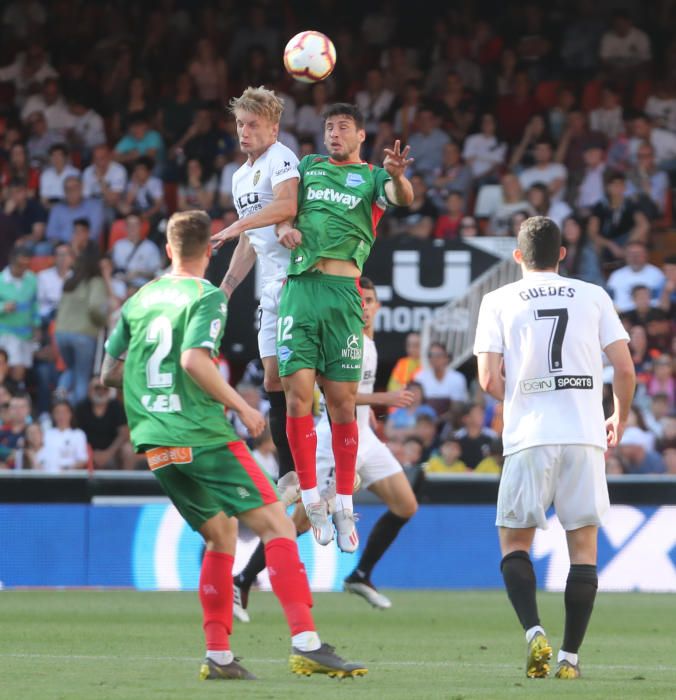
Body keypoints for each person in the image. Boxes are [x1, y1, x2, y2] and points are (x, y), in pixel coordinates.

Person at [101, 209, 365, 680]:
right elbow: (192, 361)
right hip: (201, 436)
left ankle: (219, 655)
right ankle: (306, 642)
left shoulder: (139, 299)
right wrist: (242, 408)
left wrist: (152, 395)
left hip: (157, 446)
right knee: (279, 528)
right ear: (210, 251)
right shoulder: (207, 295)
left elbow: (108, 373)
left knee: (221, 536)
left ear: (167, 249)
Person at [474, 215, 636, 679]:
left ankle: (533, 632)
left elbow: (488, 379)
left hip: (530, 436)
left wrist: (524, 391)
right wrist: (618, 417)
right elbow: (624, 371)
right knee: (583, 546)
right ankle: (570, 658)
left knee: (514, 540)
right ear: (562, 254)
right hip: (585, 436)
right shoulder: (594, 295)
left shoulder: (498, 299)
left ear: (518, 256)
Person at [232, 278, 417, 619]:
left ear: (377, 307)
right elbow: (335, 394)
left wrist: (371, 420)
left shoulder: (369, 344)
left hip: (365, 439)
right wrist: (383, 399)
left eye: (370, 300)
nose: (364, 306)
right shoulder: (346, 340)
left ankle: (360, 574)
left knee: (405, 505)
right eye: (360, 299)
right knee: (299, 523)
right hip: (335, 442)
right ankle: (243, 578)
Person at [272, 103, 413, 552]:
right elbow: (285, 207)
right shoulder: (309, 166)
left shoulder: (373, 178)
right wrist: (284, 229)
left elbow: (403, 198)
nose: (334, 133)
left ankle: (345, 503)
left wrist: (396, 176)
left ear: (361, 136)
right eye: (329, 127)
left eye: (343, 127)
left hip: (343, 294)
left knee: (343, 404)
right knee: (296, 395)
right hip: (301, 290)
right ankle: (312, 498)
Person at [210, 86, 301, 506]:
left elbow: (286, 206)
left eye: (253, 125)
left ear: (273, 128)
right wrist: (227, 288)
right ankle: (288, 473)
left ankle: (307, 465)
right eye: (240, 125)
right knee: (270, 379)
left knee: (296, 381)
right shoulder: (239, 176)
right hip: (268, 285)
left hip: (299, 279)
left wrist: (231, 227)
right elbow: (251, 238)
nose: (244, 132)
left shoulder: (281, 157)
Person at [0, 246, 39, 385]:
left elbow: (35, 304)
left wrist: (37, 324)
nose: (23, 269)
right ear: (11, 261)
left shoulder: (32, 279)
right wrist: (3, 307)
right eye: (19, 265)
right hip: (5, 334)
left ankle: (15, 397)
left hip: (25, 335)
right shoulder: (1, 280)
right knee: (9, 370)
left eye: (26, 265)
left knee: (20, 373)